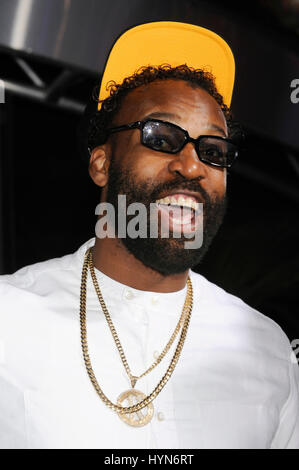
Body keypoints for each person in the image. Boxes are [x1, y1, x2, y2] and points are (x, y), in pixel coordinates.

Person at [0, 21, 298, 450]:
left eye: (213, 150)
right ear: (102, 163)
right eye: (161, 136)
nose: (192, 165)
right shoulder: (10, 318)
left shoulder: (269, 352)